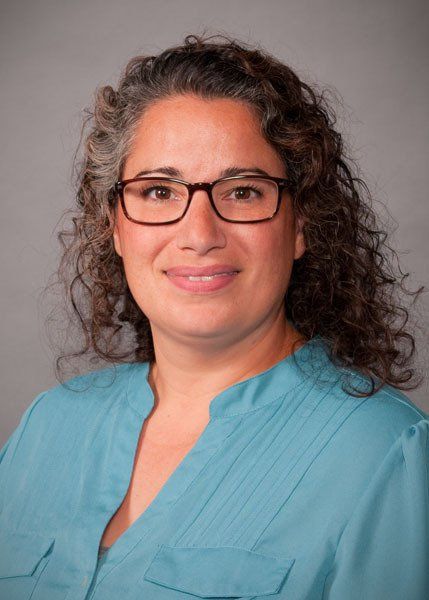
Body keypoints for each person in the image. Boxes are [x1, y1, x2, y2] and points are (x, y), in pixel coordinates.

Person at [0, 32, 428, 600]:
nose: (199, 235)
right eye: (158, 192)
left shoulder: (385, 453)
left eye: (244, 191)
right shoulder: (46, 427)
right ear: (115, 226)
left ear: (300, 224)